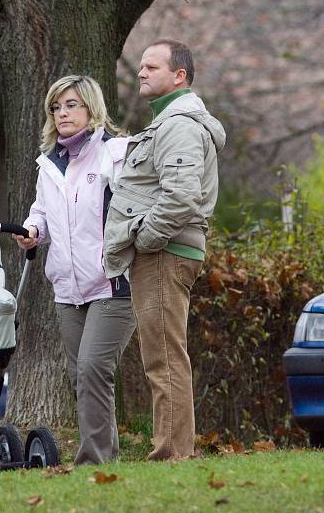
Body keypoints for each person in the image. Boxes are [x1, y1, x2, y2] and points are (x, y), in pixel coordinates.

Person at [104, 39, 226, 461]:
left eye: (151, 67)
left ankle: (171, 454)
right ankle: (174, 450)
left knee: (164, 359)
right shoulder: (168, 122)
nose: (141, 72)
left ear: (180, 76)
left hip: (165, 253)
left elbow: (181, 197)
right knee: (164, 354)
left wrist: (146, 240)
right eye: (141, 66)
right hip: (165, 251)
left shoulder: (178, 125)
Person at [14, 75, 135, 465]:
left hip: (113, 283)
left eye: (70, 105)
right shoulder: (49, 163)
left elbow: (136, 205)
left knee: (94, 369)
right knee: (79, 376)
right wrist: (33, 231)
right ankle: (106, 456)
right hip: (67, 288)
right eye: (56, 107)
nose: (62, 113)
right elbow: (43, 212)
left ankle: (92, 463)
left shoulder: (114, 153)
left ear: (90, 108)